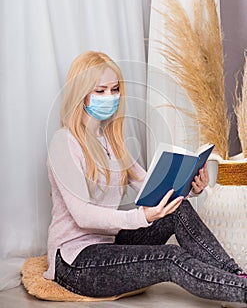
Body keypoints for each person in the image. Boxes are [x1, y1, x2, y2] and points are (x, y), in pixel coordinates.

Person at [44, 51, 247, 307]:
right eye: (100, 91)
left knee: (178, 209)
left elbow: (150, 187)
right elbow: (82, 216)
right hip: (76, 260)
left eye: (115, 89)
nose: (110, 97)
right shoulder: (64, 143)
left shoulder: (113, 141)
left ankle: (236, 275)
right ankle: (241, 289)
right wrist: (142, 217)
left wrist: (192, 187)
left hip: (111, 243)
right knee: (171, 257)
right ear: (80, 94)